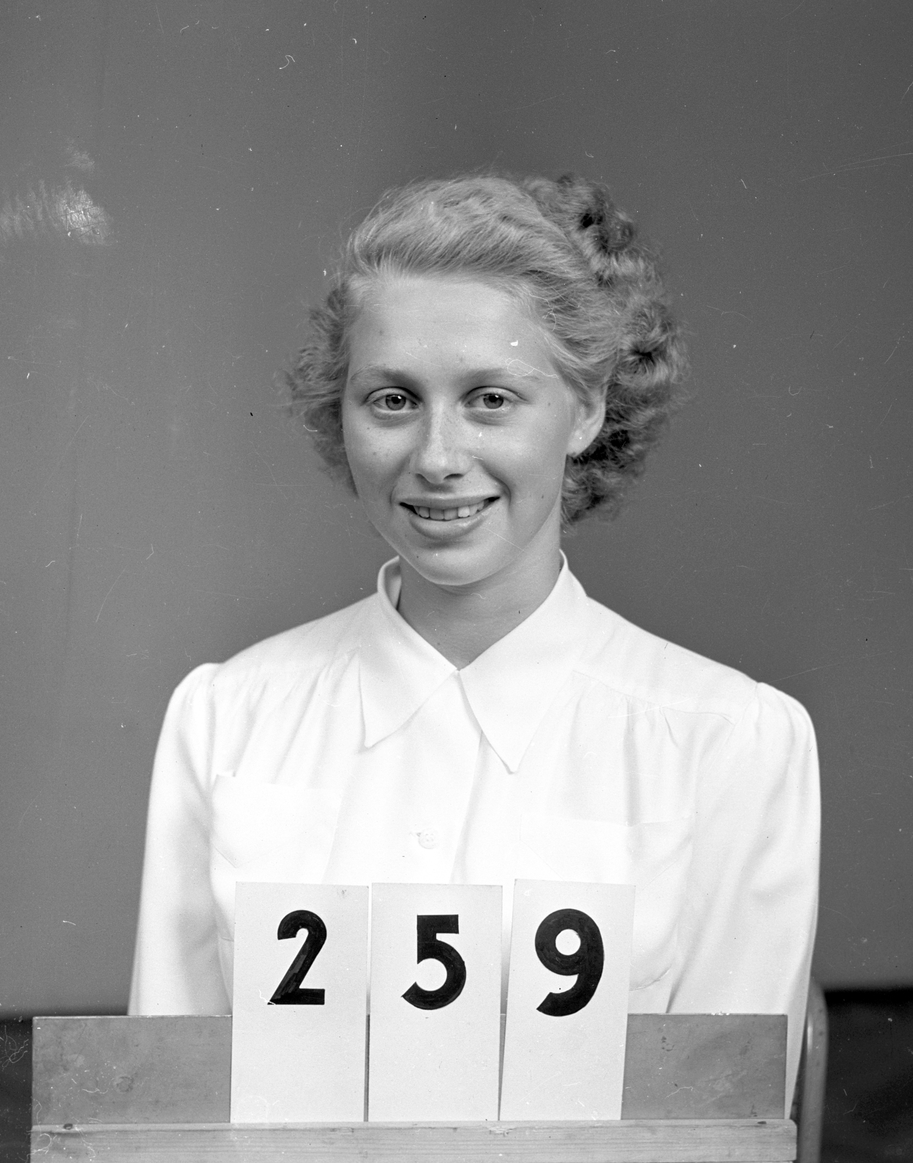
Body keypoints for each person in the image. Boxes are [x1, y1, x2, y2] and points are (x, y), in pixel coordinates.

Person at [128, 172, 820, 1100]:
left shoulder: (730, 740)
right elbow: (164, 1102)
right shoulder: (226, 716)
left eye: (491, 398)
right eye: (392, 400)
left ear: (586, 410)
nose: (438, 458)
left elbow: (717, 1125)